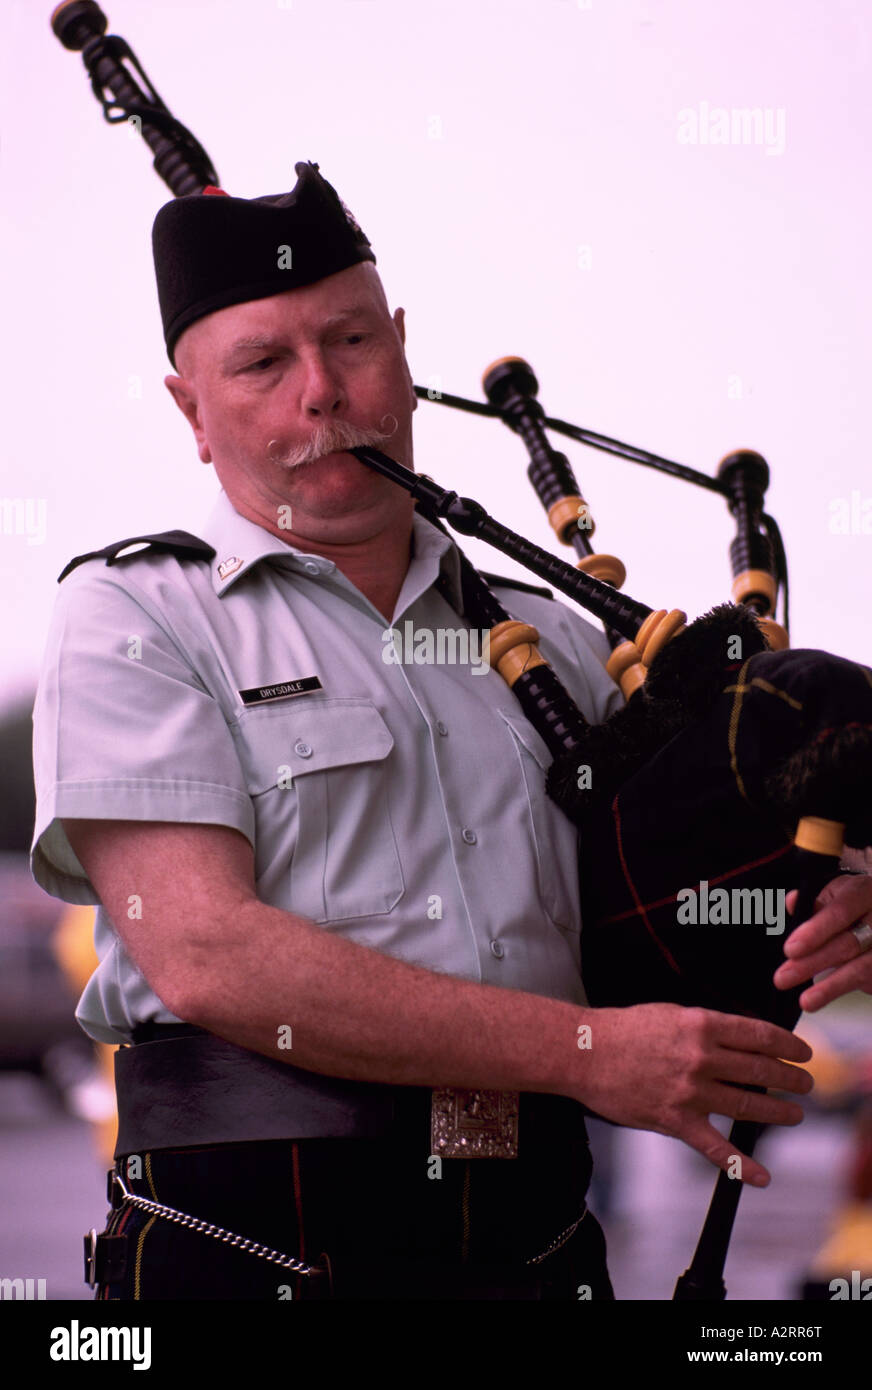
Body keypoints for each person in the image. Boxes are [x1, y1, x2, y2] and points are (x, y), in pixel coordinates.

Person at [30, 163, 872, 1301]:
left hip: (535, 1241)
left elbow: (660, 899)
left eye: (352, 343)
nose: (321, 393)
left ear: (405, 352)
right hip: (250, 1240)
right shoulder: (133, 614)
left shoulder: (559, 644)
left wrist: (823, 886)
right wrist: (590, 1055)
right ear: (191, 408)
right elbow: (206, 954)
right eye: (263, 363)